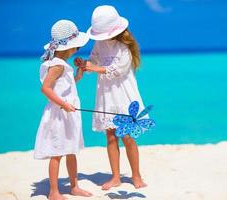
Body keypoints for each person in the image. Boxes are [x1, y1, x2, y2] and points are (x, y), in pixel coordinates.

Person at [74, 5, 147, 190]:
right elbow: (95, 59)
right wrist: (85, 64)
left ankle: (136, 175)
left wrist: (94, 68)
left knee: (127, 136)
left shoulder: (125, 47)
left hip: (123, 96)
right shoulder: (100, 44)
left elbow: (117, 70)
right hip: (107, 95)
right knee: (111, 136)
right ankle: (116, 176)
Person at [34, 19, 92, 200]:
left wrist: (78, 76)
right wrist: (63, 104)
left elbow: (65, 88)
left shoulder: (61, 65)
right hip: (59, 115)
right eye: (76, 47)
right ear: (68, 48)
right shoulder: (57, 65)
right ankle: (53, 192)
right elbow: (46, 89)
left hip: (68, 113)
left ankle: (74, 186)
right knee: (57, 152)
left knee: (71, 149)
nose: (77, 51)